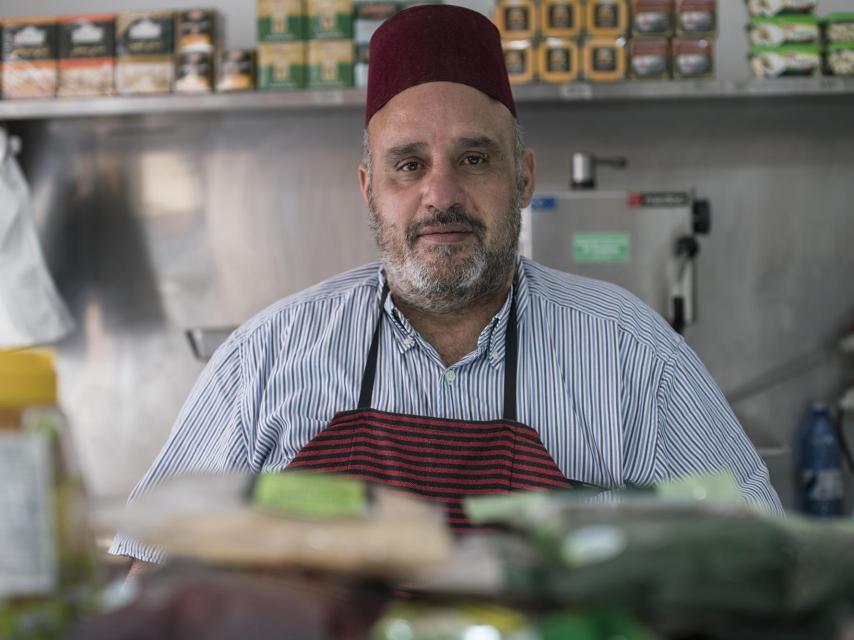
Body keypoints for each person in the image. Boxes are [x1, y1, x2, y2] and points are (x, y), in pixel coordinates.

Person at [112, 4, 782, 572]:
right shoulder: (265, 359)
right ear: (370, 188)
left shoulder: (635, 357)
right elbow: (143, 576)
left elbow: (761, 569)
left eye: (473, 158)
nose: (441, 195)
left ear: (522, 177)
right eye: (409, 164)